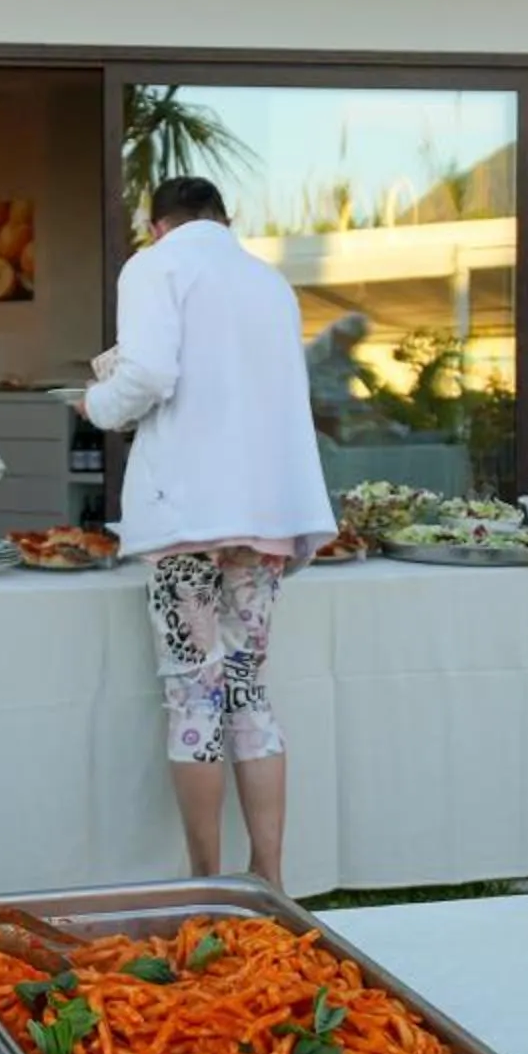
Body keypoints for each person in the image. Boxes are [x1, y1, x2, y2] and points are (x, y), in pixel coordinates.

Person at [84, 177, 336, 888]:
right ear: (224, 218)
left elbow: (147, 375)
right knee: (249, 690)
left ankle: (206, 882)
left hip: (187, 515)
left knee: (195, 697)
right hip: (264, 514)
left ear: (156, 225)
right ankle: (270, 879)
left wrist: (96, 403)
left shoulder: (155, 266)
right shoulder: (269, 282)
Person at [305, 313, 373, 441]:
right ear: (339, 334)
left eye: (355, 342)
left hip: (330, 418)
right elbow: (310, 388)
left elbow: (340, 389)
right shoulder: (312, 355)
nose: (352, 345)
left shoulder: (343, 359)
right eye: (350, 340)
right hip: (311, 418)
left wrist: (360, 405)